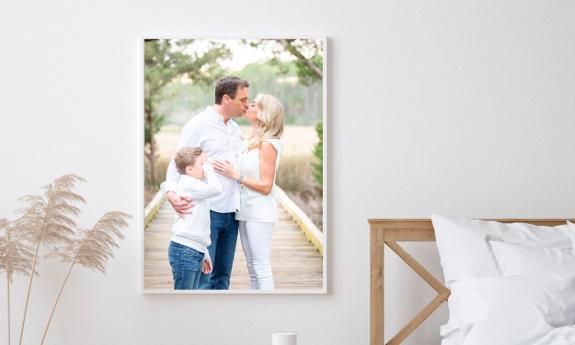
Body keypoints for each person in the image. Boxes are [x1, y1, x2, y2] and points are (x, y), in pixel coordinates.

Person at [161, 76, 249, 290]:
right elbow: (178, 161)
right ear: (226, 98)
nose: (246, 105)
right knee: (204, 280)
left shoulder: (235, 129)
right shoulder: (199, 124)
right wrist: (170, 192)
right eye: (243, 100)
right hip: (208, 213)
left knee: (222, 280)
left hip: (232, 213)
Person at [214, 94, 284, 290]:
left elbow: (266, 186)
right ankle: (257, 310)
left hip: (260, 212)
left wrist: (235, 175)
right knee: (252, 267)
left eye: (253, 104)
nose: (247, 105)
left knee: (261, 267)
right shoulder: (252, 141)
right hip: (244, 210)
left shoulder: (269, 144)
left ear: (263, 113)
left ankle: (268, 313)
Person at [168, 147, 221, 290]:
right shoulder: (189, 185)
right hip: (185, 250)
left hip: (193, 249)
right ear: (189, 169)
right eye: (202, 163)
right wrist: (209, 169)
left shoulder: (195, 186)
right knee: (184, 301)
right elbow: (217, 188)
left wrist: (204, 252)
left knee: (191, 298)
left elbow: (198, 224)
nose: (205, 166)